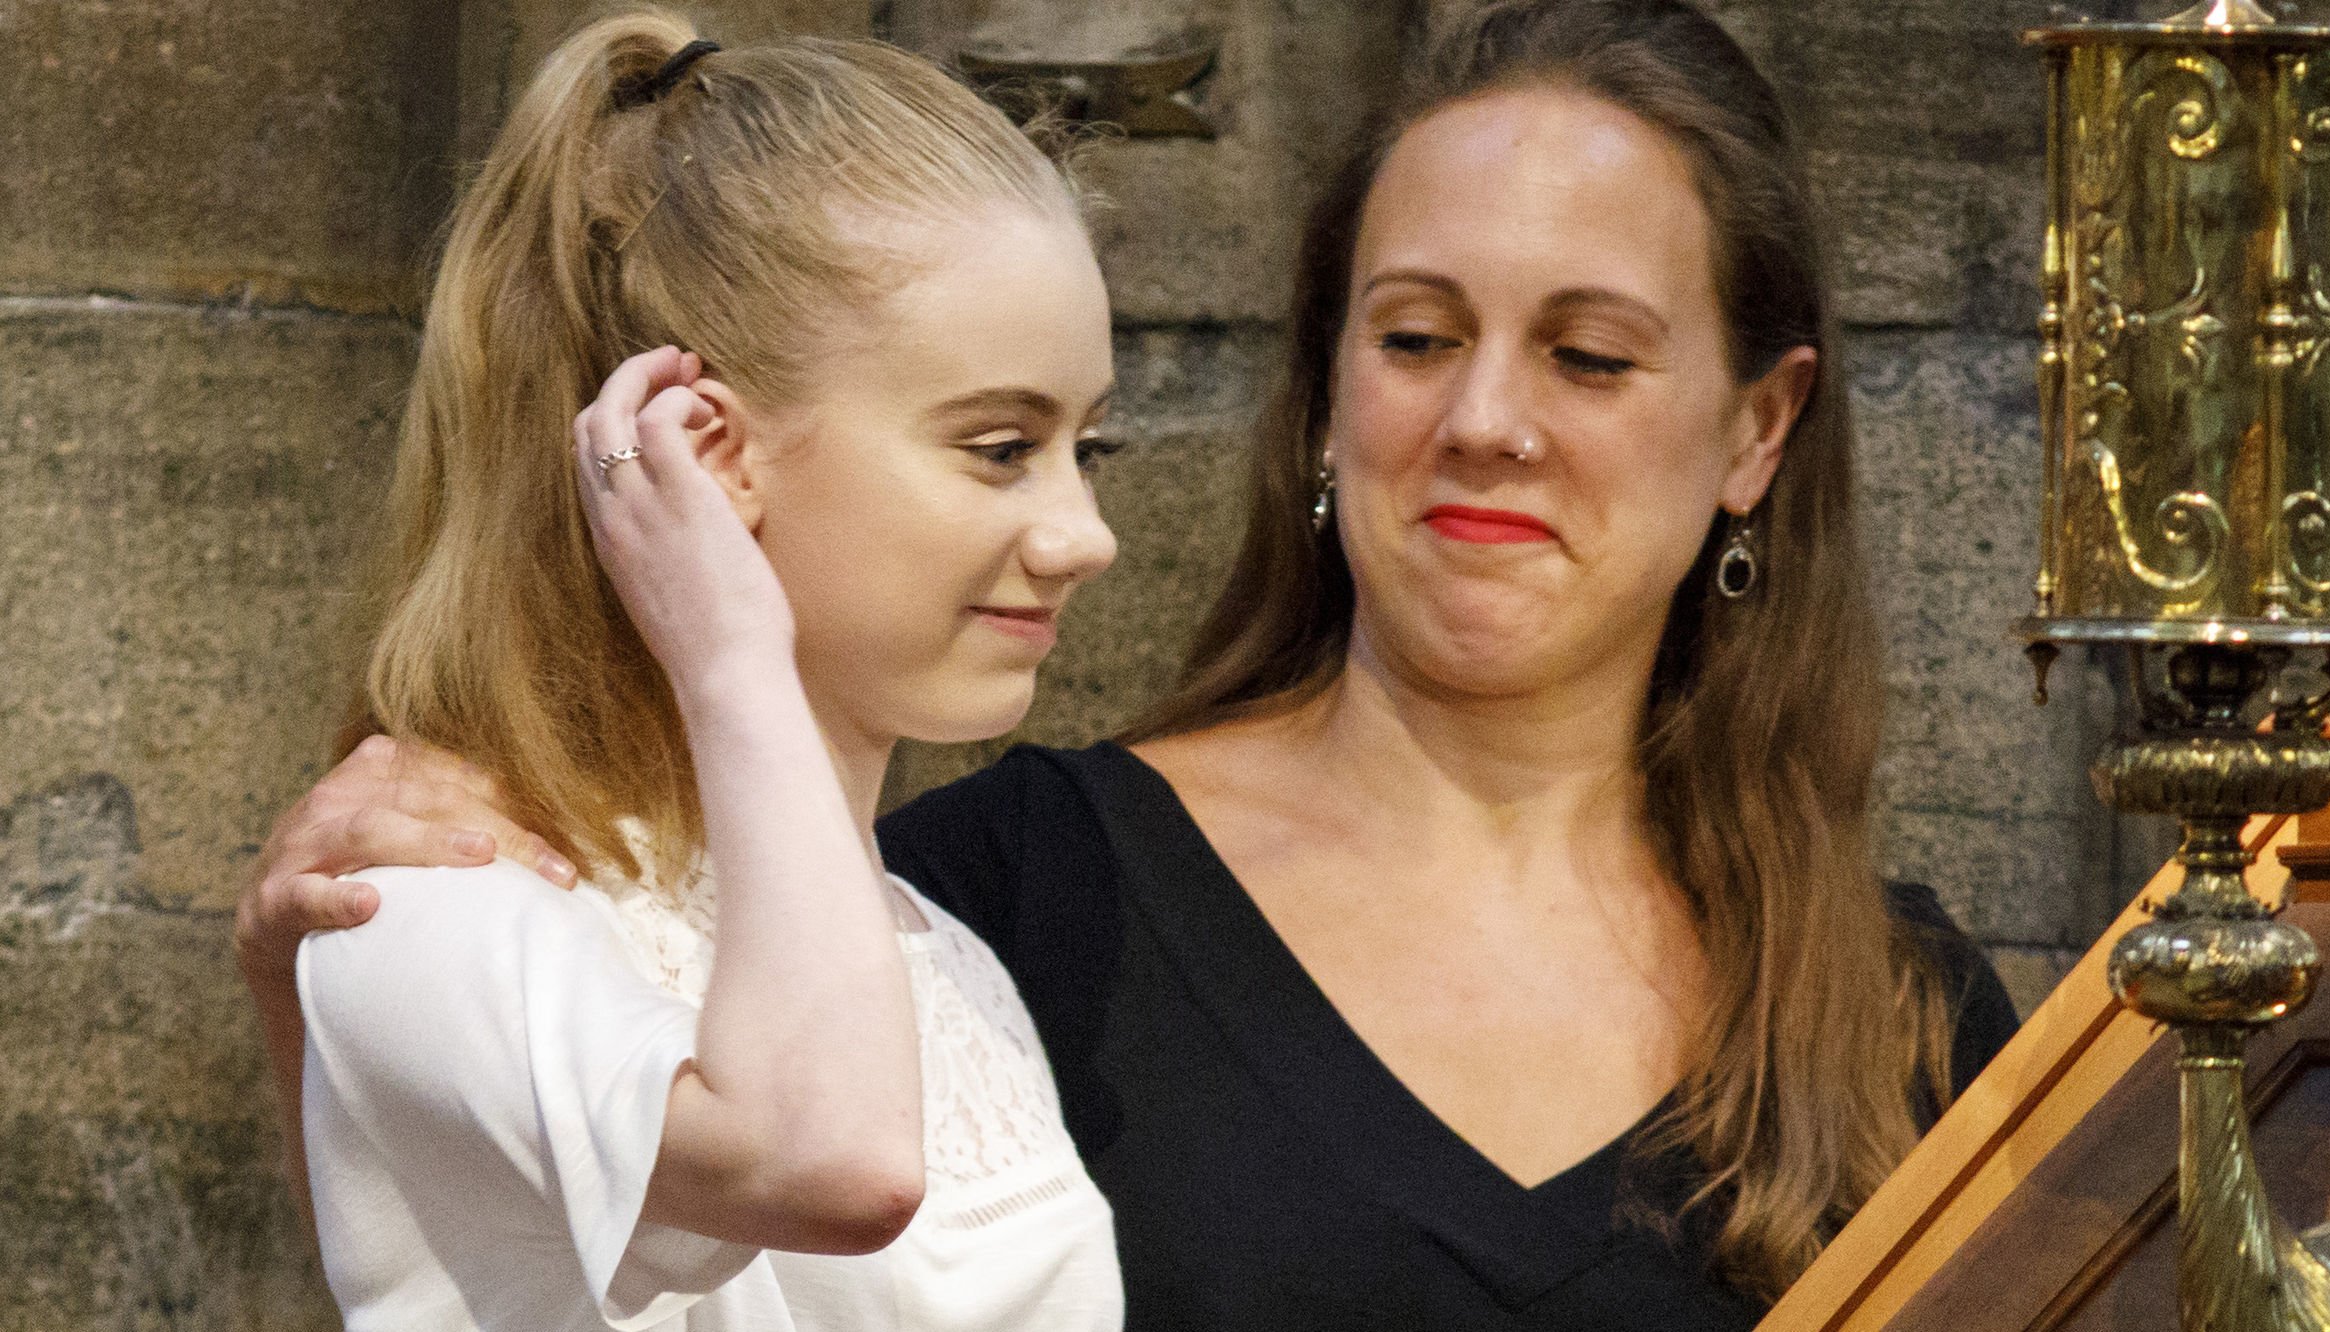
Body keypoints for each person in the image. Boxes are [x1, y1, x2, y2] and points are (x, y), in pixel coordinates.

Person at [237, 2, 2019, 1327]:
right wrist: (317, 983)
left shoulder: (1899, 1016)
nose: (1484, 422)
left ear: (1756, 429)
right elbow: (596, 1178)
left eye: (1591, 357)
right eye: (1413, 335)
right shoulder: (1021, 891)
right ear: (1324, 382)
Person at [269, 10, 1128, 1329]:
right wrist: (728, 655)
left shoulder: (945, 961)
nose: (1084, 537)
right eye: (1001, 447)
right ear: (706, 452)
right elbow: (831, 1163)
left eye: (1089, 450)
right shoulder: (441, 905)